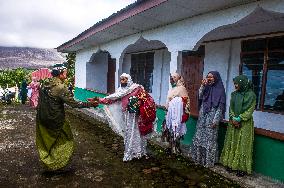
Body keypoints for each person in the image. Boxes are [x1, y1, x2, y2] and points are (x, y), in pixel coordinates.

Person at [36, 65, 98, 171]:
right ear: (60, 74)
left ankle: (48, 162)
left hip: (42, 117)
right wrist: (91, 104)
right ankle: (56, 164)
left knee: (47, 140)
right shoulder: (61, 87)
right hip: (56, 119)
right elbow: (74, 104)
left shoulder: (44, 84)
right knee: (66, 139)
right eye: (65, 72)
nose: (66, 74)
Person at [90, 73, 156, 161]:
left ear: (128, 80)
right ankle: (130, 152)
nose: (122, 81)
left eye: (124, 79)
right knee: (129, 133)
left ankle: (139, 151)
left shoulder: (136, 88)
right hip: (127, 115)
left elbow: (145, 98)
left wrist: (138, 102)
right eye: (121, 79)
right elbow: (110, 100)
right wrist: (98, 100)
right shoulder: (120, 91)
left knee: (138, 132)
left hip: (136, 116)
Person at [220, 75, 256, 177]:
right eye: (234, 83)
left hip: (245, 123)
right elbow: (231, 107)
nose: (235, 85)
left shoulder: (251, 95)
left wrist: (240, 118)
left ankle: (241, 168)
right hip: (233, 122)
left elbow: (250, 110)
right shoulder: (234, 94)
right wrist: (233, 117)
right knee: (232, 142)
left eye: (237, 83)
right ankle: (230, 164)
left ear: (243, 83)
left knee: (242, 145)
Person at [190, 71, 226, 167]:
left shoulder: (220, 90)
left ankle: (208, 161)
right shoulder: (206, 87)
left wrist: (216, 120)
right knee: (199, 136)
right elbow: (200, 96)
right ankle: (198, 158)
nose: (209, 79)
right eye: (208, 77)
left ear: (216, 78)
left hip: (212, 116)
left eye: (211, 77)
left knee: (210, 138)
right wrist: (202, 86)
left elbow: (220, 107)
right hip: (203, 115)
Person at [162, 73, 190, 154]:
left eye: (174, 77)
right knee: (169, 130)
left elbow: (185, 101)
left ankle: (176, 148)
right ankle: (171, 147)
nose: (172, 78)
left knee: (177, 130)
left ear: (179, 79)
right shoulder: (173, 88)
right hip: (169, 113)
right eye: (171, 77)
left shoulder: (182, 89)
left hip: (178, 115)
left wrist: (176, 103)